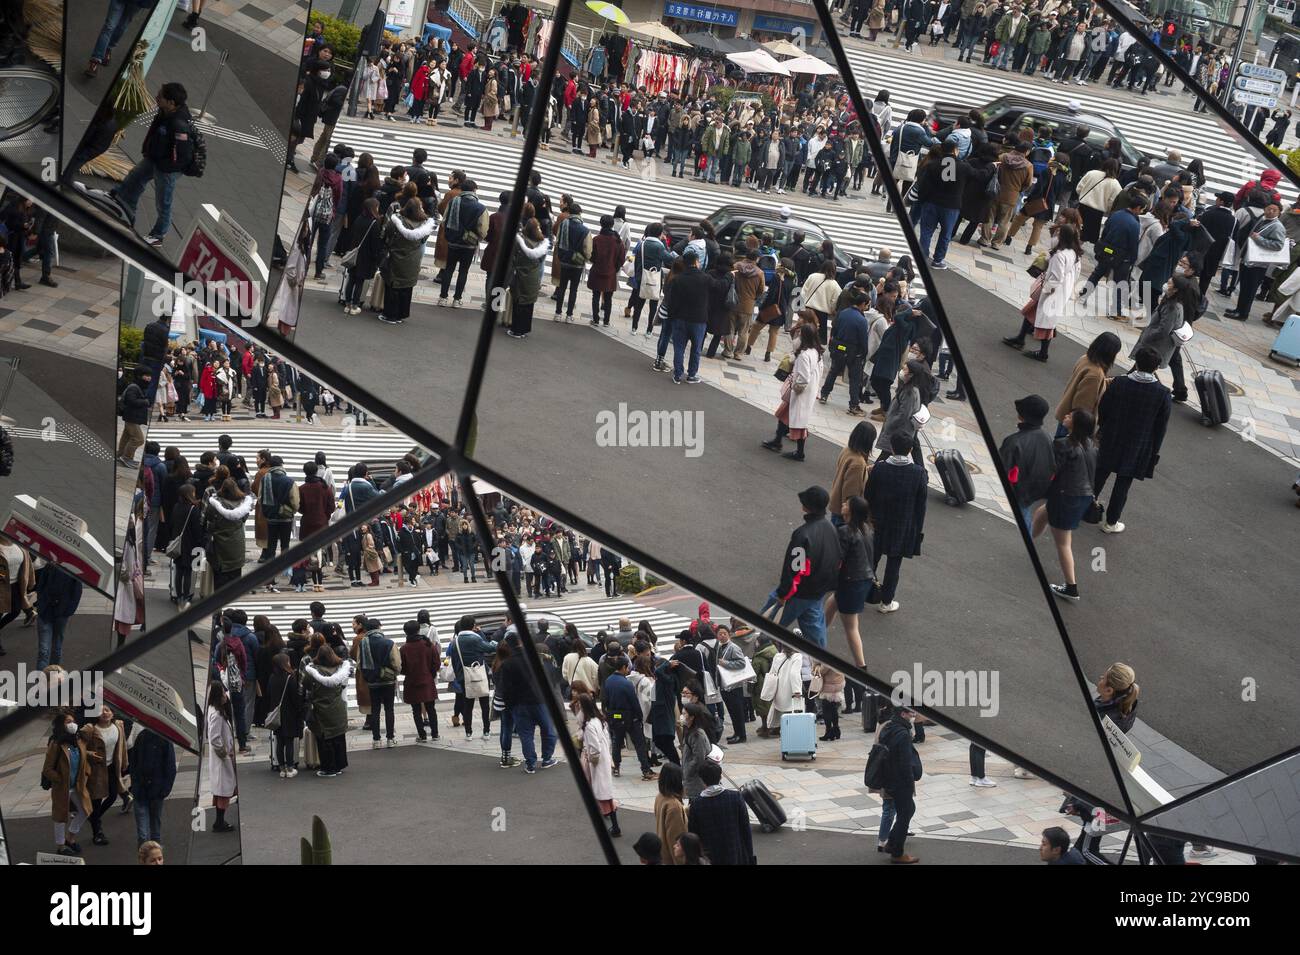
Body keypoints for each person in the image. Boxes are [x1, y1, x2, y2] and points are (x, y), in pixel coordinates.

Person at [1092, 346, 1172, 534]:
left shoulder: (1119, 383)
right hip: (1138, 444)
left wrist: (1104, 428)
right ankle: (1111, 523)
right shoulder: (1162, 393)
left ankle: (1084, 509)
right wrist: (1154, 450)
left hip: (1112, 437)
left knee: (1099, 475)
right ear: (1156, 368)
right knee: (1123, 484)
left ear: (1136, 363)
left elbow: (1103, 409)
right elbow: (1161, 427)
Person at [110, 83, 195, 247]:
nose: (156, 97)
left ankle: (158, 235)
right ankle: (124, 204)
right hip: (155, 158)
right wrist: (148, 149)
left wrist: (164, 167)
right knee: (135, 177)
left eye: (160, 96)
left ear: (171, 102)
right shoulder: (164, 112)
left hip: (166, 169)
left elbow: (182, 157)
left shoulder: (179, 124)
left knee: (163, 202)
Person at [1032, 408, 1097, 602]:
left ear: (1075, 424)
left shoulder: (1063, 444)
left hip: (1066, 496)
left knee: (1063, 543)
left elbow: (1051, 470)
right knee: (1042, 513)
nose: (1066, 417)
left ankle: (1071, 587)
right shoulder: (1091, 446)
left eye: (1070, 416)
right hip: (1082, 496)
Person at [865, 433, 928, 614]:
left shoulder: (879, 469)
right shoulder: (918, 473)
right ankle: (886, 601)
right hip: (903, 526)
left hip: (878, 523)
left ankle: (863, 591)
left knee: (871, 560)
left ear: (892, 448)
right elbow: (920, 507)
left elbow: (868, 495)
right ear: (910, 451)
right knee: (894, 566)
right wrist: (917, 529)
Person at [1002, 223, 1082, 361]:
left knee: (1046, 323)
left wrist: (1045, 289)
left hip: (1052, 292)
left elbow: (1056, 277)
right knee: (1030, 311)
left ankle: (1043, 353)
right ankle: (1020, 339)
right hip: (1062, 291)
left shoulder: (1060, 255)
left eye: (1058, 233)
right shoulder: (1075, 253)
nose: (1056, 234)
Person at [761, 322, 824, 461]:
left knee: (799, 422)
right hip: (808, 392)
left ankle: (799, 452)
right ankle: (778, 441)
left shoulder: (804, 355)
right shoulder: (817, 352)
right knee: (785, 414)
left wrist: (795, 386)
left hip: (801, 392)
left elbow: (803, 377)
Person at [997, 394, 1056, 528]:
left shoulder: (1014, 442)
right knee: (1026, 515)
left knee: (1024, 519)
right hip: (1035, 490)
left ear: (1022, 415)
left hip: (1020, 492)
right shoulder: (1046, 437)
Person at [1226, 201, 1289, 321]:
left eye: (1274, 210)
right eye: (1269, 208)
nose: (1270, 211)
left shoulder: (1277, 226)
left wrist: (1259, 239)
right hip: (1249, 259)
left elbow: (1278, 245)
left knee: (1250, 289)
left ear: (1279, 213)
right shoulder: (1263, 219)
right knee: (1244, 287)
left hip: (1258, 264)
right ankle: (1239, 309)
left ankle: (1243, 313)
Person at [42, 713, 93, 856]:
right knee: (60, 816)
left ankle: (70, 837)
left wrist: (86, 771)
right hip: (62, 787)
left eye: (73, 721)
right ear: (61, 725)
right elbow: (47, 769)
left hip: (77, 785)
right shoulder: (56, 743)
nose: (72, 724)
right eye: (68, 721)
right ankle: (60, 845)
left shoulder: (78, 739)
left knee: (85, 810)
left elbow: (81, 756)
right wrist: (60, 779)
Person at [1054, 332, 1121, 438]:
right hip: (1075, 425)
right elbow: (1083, 405)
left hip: (1066, 414)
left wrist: (1110, 381)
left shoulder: (1086, 358)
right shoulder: (1095, 374)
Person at [688, 760, 755, 864]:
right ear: (720, 777)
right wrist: (750, 855)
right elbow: (745, 828)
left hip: (711, 857)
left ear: (702, 780)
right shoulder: (735, 797)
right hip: (736, 853)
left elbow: (694, 835)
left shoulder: (696, 805)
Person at [303, 646, 353, 777]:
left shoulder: (313, 672)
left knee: (325, 738)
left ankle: (328, 768)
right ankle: (339, 765)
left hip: (321, 709)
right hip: (338, 707)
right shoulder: (341, 669)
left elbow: (305, 685)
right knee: (338, 736)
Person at [880, 705, 921, 863]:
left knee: (909, 809)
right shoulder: (903, 733)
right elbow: (905, 762)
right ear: (903, 714)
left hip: (889, 777)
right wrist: (910, 783)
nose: (913, 714)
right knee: (905, 814)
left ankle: (891, 843)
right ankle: (897, 853)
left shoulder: (890, 727)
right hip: (900, 781)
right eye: (910, 712)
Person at [127, 729, 175, 845]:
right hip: (141, 790)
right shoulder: (142, 736)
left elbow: (170, 767)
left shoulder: (165, 739)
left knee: (155, 831)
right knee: (143, 834)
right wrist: (135, 784)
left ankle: (155, 859)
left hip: (155, 791)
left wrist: (164, 791)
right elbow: (134, 763)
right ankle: (147, 859)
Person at [204, 681, 238, 833]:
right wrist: (225, 753)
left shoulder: (213, 709)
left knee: (222, 789)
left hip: (219, 757)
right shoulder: (217, 714)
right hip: (221, 758)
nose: (225, 696)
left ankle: (219, 820)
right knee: (224, 790)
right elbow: (215, 738)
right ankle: (219, 822)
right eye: (223, 693)